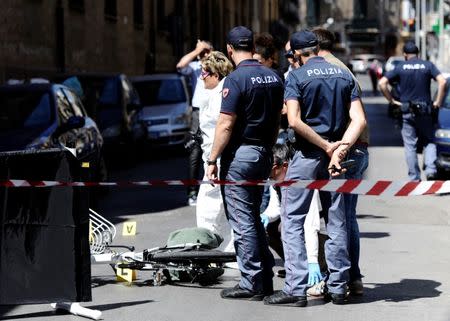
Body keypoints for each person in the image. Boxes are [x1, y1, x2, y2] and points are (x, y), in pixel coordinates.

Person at [263, 30, 366, 307]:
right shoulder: (344, 75)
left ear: (297, 54)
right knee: (337, 220)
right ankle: (339, 286)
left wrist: (324, 145)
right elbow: (359, 120)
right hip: (337, 160)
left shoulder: (296, 77)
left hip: (308, 156)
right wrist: (339, 148)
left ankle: (296, 288)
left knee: (292, 218)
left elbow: (294, 121)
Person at [206, 26, 284, 300]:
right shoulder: (273, 77)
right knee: (251, 217)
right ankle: (263, 276)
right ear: (251, 46)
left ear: (229, 49)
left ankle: (252, 281)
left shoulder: (236, 79)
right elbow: (277, 120)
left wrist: (212, 159)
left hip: (241, 155)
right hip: (263, 152)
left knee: (242, 221)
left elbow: (226, 125)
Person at [313, 27, 370, 296]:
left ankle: (341, 278)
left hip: (344, 151)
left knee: (338, 219)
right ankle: (353, 277)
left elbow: (346, 118)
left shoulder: (325, 70)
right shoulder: (343, 69)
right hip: (355, 150)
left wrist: (339, 151)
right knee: (346, 217)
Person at [379, 41, 446, 180]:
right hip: (425, 111)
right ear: (418, 53)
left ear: (404, 54)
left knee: (410, 145)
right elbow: (442, 81)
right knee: (429, 140)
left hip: (406, 110)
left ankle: (414, 178)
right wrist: (438, 102)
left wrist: (391, 100)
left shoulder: (400, 67)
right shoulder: (427, 65)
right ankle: (431, 170)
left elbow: (382, 83)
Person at [196, 51, 235, 253]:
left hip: (217, 159)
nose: (201, 77)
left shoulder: (222, 94)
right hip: (214, 158)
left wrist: (212, 161)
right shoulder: (218, 91)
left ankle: (207, 251)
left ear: (216, 74)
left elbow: (224, 127)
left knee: (208, 209)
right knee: (224, 208)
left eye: (204, 73)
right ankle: (228, 251)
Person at [176, 40, 213, 206]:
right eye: (202, 53)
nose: (205, 55)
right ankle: (192, 191)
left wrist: (208, 52)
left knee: (213, 149)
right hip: (198, 112)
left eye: (207, 52)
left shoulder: (217, 65)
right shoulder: (196, 67)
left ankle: (211, 188)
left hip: (214, 109)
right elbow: (180, 65)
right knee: (195, 151)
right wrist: (197, 49)